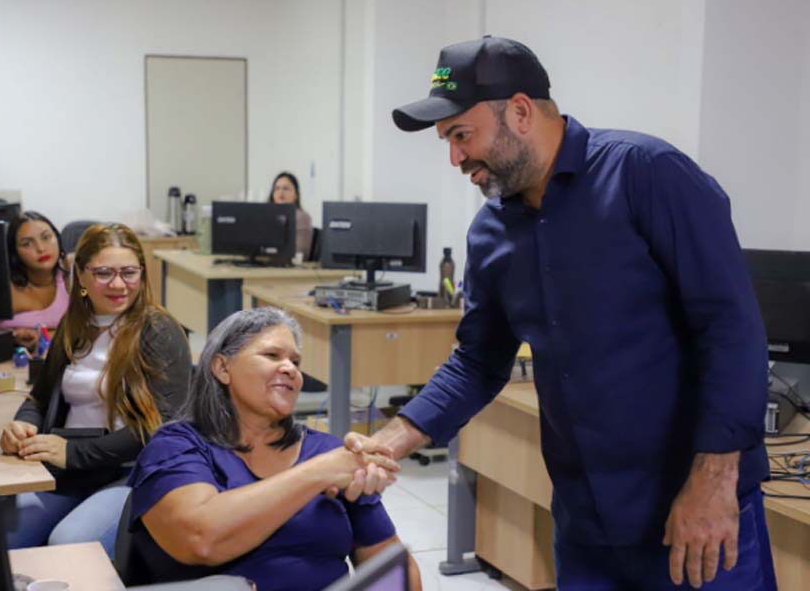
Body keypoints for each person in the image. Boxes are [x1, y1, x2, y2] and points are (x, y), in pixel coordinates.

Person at [347, 36, 774, 590]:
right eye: (447, 141)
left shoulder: (648, 175)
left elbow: (732, 329)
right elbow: (479, 359)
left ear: (520, 112)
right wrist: (394, 438)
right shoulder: (491, 231)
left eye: (461, 135)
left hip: (693, 506)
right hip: (585, 520)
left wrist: (714, 481)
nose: (455, 158)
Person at [125, 307, 421, 591]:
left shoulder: (328, 452)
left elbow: (394, 569)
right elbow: (201, 539)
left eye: (296, 362)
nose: (290, 369)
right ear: (222, 367)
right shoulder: (176, 446)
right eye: (271, 355)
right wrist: (318, 473)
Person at [0, 223, 191, 558]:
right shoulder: (74, 327)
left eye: (129, 272)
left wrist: (74, 454)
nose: (118, 284)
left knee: (68, 544)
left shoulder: (159, 331)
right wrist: (23, 425)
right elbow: (40, 397)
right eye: (103, 273)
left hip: (129, 472)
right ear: (82, 277)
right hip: (70, 469)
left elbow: (158, 428)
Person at [0, 211, 69, 349]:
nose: (41, 248)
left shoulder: (71, 272)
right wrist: (12, 336)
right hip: (10, 362)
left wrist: (45, 337)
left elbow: (92, 325)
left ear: (57, 238)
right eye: (27, 243)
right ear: (14, 253)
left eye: (46, 237)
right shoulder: (4, 287)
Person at [268, 171, 313, 259]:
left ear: (296, 195)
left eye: (286, 189)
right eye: (277, 188)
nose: (280, 192)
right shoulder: (267, 216)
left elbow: (301, 252)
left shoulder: (301, 217)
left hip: (288, 268)